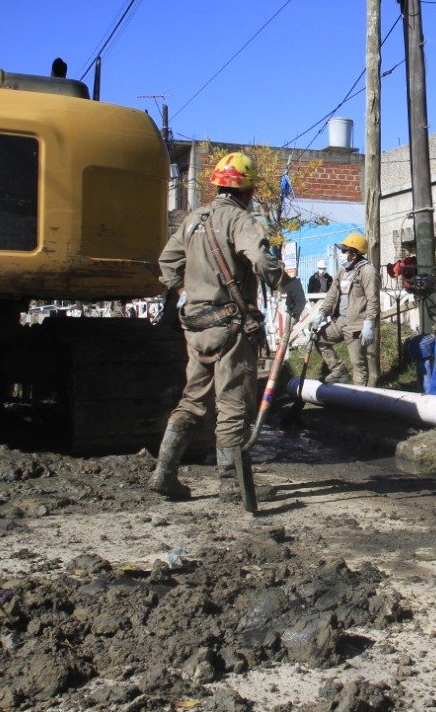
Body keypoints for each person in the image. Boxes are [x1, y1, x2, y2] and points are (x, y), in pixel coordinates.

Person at [148, 152, 306, 505]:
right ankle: (233, 485)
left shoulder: (192, 220)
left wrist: (185, 292)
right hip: (230, 325)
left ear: (218, 184)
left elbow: (167, 263)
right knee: (233, 402)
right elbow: (262, 258)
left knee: (192, 399)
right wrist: (288, 285)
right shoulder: (238, 219)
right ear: (247, 190)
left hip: (196, 326)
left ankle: (164, 473)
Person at [309, 232, 379, 386]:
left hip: (357, 326)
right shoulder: (343, 271)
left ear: (354, 254)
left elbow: (373, 300)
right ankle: (339, 370)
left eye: (344, 251)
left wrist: (369, 322)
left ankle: (359, 399)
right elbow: (332, 296)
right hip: (340, 322)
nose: (341, 254)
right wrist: (321, 314)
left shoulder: (368, 271)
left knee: (358, 364)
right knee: (319, 338)